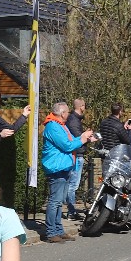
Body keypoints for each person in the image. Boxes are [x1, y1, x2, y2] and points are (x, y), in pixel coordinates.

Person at [40, 101, 93, 243]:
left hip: (63, 167)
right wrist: (82, 139)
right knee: (55, 201)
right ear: (62, 113)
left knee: (59, 202)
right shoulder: (53, 126)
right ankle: (51, 232)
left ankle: (58, 230)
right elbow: (67, 145)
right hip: (56, 168)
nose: (69, 114)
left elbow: (70, 141)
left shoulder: (60, 125)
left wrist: (83, 137)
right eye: (67, 112)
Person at [65, 97, 91, 220]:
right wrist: (87, 137)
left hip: (77, 154)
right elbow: (78, 138)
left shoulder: (74, 119)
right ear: (81, 107)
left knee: (72, 184)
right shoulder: (74, 120)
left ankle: (71, 210)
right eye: (84, 106)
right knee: (73, 185)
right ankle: (71, 212)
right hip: (76, 155)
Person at [99, 102, 131, 166]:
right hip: (115, 155)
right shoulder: (118, 125)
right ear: (120, 112)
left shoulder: (103, 122)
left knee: (106, 171)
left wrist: (123, 128)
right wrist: (130, 129)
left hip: (104, 154)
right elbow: (127, 140)